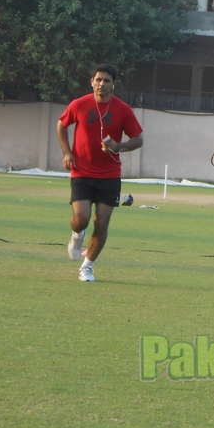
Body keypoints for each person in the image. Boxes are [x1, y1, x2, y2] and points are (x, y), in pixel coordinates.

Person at [57, 64, 143, 282]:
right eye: (98, 80)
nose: (102, 84)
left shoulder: (123, 110)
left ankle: (87, 267)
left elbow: (138, 139)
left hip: (110, 175)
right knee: (81, 219)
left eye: (106, 80)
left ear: (113, 84)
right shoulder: (80, 104)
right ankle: (77, 234)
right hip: (82, 172)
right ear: (92, 82)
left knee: (102, 223)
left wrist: (120, 146)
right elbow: (61, 124)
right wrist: (67, 152)